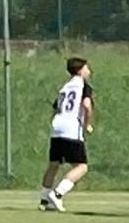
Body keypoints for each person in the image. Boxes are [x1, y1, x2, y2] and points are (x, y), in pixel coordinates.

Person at [40, 57, 93, 212]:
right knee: (81, 166)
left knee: (54, 163)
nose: (89, 71)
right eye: (86, 68)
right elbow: (86, 105)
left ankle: (44, 199)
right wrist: (87, 124)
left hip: (57, 127)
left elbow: (56, 108)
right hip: (71, 128)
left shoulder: (65, 87)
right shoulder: (83, 86)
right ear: (80, 71)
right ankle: (57, 194)